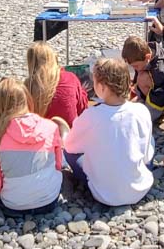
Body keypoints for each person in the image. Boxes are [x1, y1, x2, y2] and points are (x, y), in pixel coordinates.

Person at [64, 58, 154, 206]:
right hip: (140, 189)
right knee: (150, 140)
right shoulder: (141, 110)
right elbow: (146, 156)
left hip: (103, 194)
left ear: (102, 87)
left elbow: (70, 146)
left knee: (69, 152)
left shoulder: (91, 115)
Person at [0, 78, 63, 215]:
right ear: (27, 99)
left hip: (13, 205)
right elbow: (58, 166)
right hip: (49, 200)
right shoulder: (50, 127)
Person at [25, 41, 89, 128]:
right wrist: (83, 93)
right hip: (69, 134)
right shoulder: (69, 77)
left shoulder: (28, 86)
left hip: (41, 136)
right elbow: (82, 108)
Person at [121, 35, 164, 122]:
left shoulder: (160, 70)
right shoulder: (144, 53)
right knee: (141, 76)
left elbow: (161, 97)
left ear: (148, 57)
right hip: (154, 91)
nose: (135, 68)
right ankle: (142, 101)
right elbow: (138, 72)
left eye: (136, 66)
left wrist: (146, 114)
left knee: (143, 78)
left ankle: (154, 112)